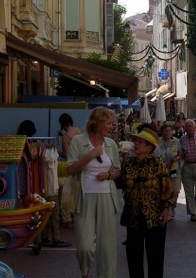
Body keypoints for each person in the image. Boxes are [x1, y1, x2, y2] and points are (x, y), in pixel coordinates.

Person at [67, 107, 122, 278]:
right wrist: (90, 155)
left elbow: (117, 170)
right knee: (85, 246)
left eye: (112, 123)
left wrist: (108, 175)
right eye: (108, 123)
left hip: (107, 197)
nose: (111, 126)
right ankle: (85, 271)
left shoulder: (111, 144)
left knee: (107, 246)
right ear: (96, 123)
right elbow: (70, 169)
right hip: (84, 198)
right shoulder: (78, 141)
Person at [122, 127, 174, 278]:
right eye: (135, 141)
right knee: (133, 257)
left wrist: (166, 209)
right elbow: (122, 183)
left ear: (149, 147)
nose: (135, 144)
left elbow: (167, 188)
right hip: (134, 216)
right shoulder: (128, 163)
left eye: (140, 142)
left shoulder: (157, 163)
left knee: (156, 258)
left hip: (155, 216)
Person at [58, 113, 81, 228]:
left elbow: (67, 155)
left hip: (71, 167)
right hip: (81, 165)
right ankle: (76, 215)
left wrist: (56, 153)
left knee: (66, 193)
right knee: (77, 192)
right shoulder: (78, 130)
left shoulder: (66, 137)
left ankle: (67, 218)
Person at [157, 123, 183, 217]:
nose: (167, 133)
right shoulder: (157, 141)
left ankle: (171, 206)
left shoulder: (177, 141)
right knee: (163, 190)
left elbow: (182, 153)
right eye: (165, 131)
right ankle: (165, 210)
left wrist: (177, 158)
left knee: (175, 190)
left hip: (174, 170)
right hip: (161, 171)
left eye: (169, 131)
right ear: (162, 132)